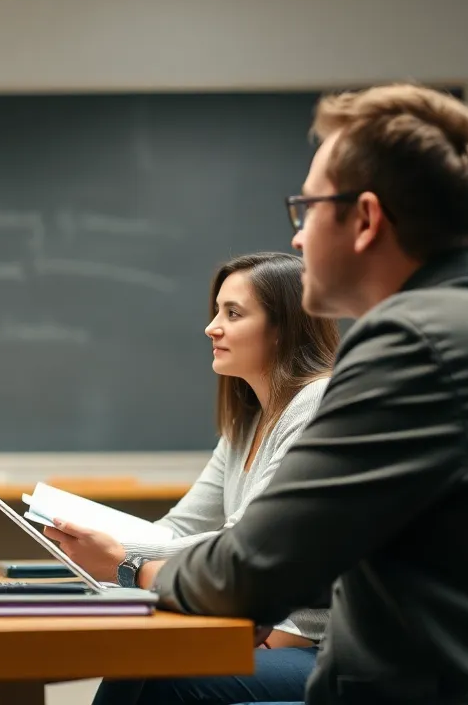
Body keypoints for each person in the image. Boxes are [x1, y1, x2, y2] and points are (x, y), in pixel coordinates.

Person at [145, 83, 468, 704]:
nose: (297, 239)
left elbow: (250, 571)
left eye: (307, 210)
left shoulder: (410, 343)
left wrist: (138, 572)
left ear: (364, 219)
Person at [42, 252, 338, 705]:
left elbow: (242, 543)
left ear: (284, 327)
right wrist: (96, 542)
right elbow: (180, 528)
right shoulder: (247, 421)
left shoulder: (317, 402)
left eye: (233, 314)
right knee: (137, 665)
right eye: (217, 311)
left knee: (160, 676)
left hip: (320, 646)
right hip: (256, 627)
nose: (211, 328)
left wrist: (123, 560)